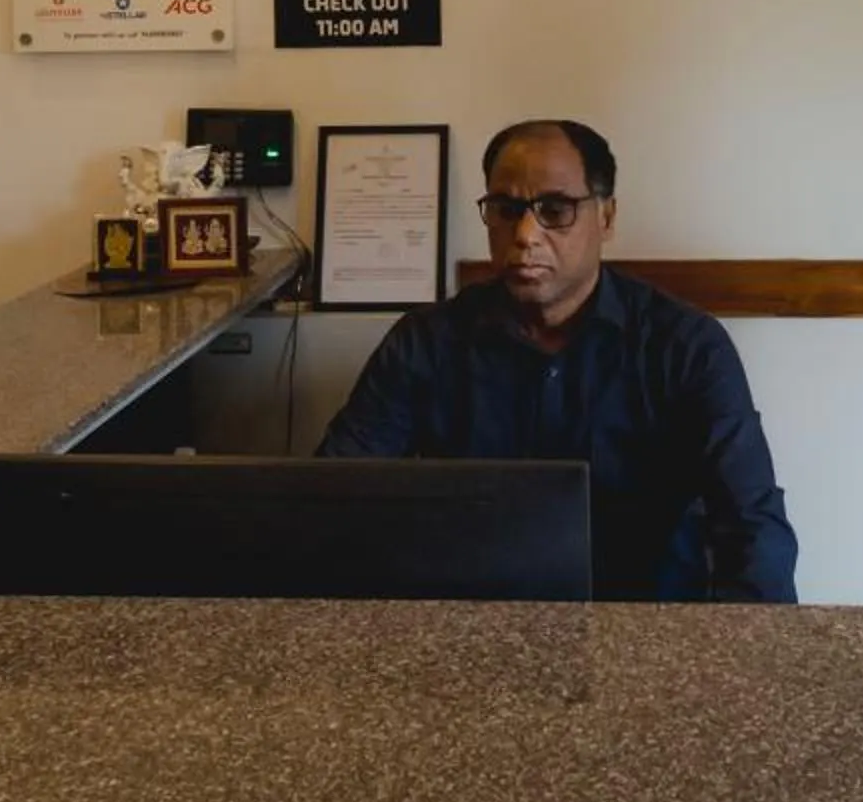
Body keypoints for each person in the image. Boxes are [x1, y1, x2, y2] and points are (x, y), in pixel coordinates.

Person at [317, 119, 799, 602]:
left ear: (606, 218)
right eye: (506, 209)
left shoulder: (685, 346)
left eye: (555, 209)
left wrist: (744, 663)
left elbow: (751, 525)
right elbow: (334, 499)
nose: (525, 234)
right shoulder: (425, 344)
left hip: (642, 629)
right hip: (472, 624)